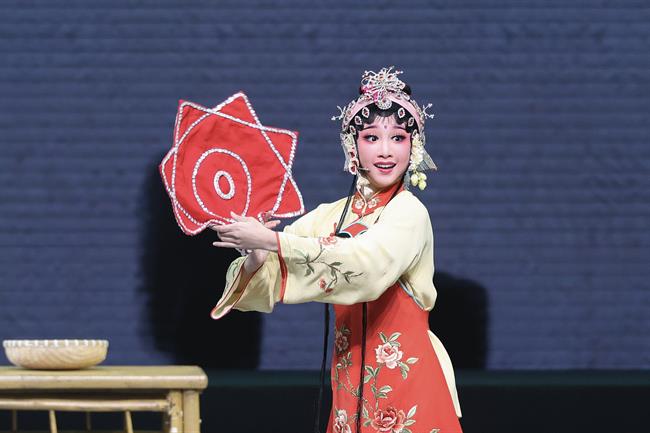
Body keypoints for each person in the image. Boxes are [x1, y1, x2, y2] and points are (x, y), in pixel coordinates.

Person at [210, 67, 463, 433]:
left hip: (409, 382)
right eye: (371, 137)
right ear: (352, 147)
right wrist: (258, 255)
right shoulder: (330, 216)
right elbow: (279, 268)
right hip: (349, 383)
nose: (386, 150)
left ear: (414, 146)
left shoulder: (409, 212)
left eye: (398, 137)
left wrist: (271, 240)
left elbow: (367, 266)